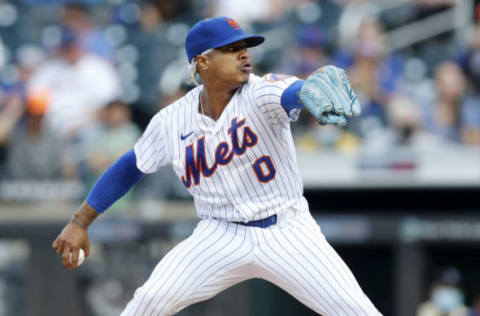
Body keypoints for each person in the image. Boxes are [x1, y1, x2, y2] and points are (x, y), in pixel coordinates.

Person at [52, 17, 382, 315]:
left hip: (288, 229)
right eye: (231, 49)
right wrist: (81, 220)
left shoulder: (261, 92)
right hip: (220, 234)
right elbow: (129, 166)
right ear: (203, 61)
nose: (244, 55)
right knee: (147, 303)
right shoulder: (171, 120)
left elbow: (292, 93)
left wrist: (304, 90)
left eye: (245, 48)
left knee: (356, 311)